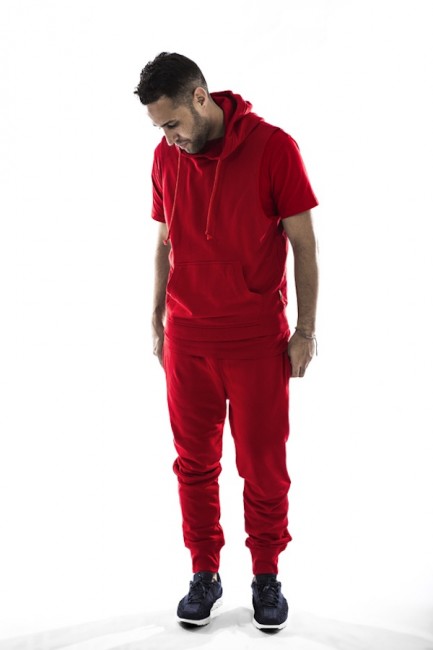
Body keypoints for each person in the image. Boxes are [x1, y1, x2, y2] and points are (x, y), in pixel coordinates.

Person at [134, 52, 319, 631]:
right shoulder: (165, 156)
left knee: (263, 465)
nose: (168, 137)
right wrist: (156, 316)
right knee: (194, 464)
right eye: (159, 128)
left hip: (256, 339)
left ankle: (266, 575)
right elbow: (164, 242)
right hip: (188, 340)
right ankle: (204, 572)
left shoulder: (274, 148)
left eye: (172, 123)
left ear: (200, 97)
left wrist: (305, 330)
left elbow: (305, 244)